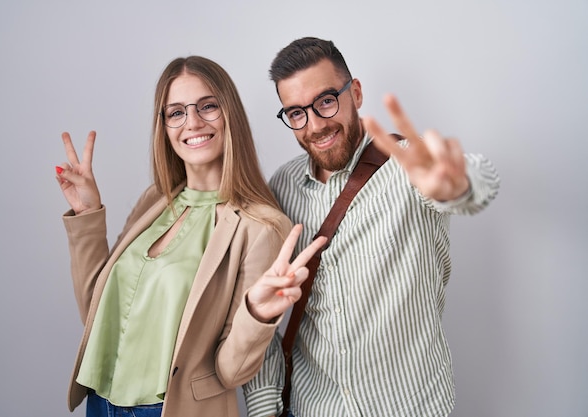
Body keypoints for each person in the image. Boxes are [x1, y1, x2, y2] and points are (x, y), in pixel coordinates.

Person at [55, 55, 327, 417]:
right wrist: (88, 216)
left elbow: (232, 371)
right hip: (101, 404)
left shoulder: (261, 225)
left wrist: (257, 313)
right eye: (176, 112)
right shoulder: (155, 200)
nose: (193, 122)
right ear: (164, 126)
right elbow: (96, 312)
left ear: (230, 114)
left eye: (208, 106)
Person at [243, 37, 501, 417]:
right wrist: (265, 409)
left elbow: (480, 180)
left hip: (410, 407)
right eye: (296, 113)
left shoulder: (411, 166)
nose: (314, 124)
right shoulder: (280, 187)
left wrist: (458, 187)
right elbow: (263, 307)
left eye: (326, 100)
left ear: (356, 93)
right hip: (313, 408)